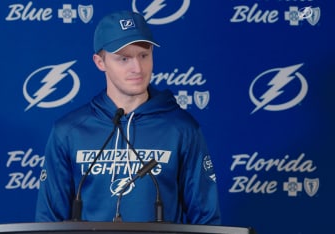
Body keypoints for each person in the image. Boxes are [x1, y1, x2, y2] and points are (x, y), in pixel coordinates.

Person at [35, 10, 221, 224]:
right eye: (123, 58)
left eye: (144, 55)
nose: (137, 68)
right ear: (100, 62)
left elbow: (207, 219)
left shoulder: (182, 129)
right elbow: (48, 221)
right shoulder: (69, 130)